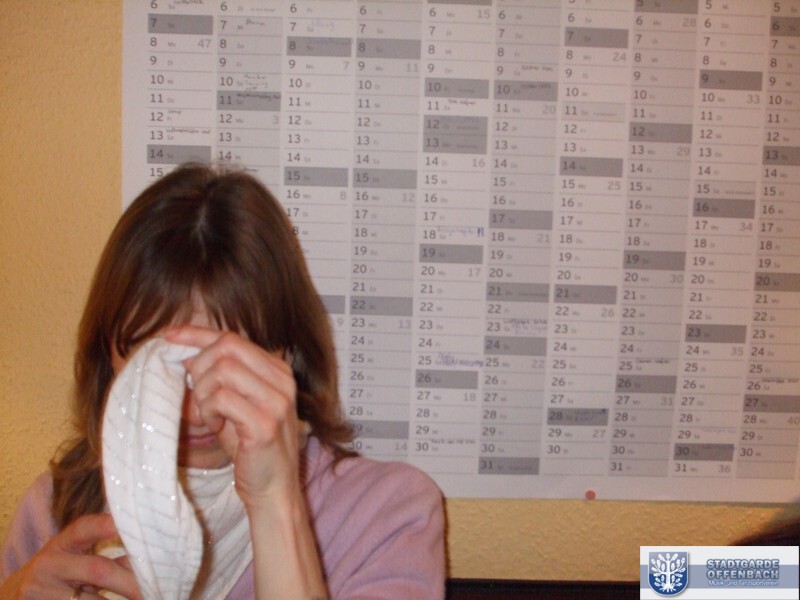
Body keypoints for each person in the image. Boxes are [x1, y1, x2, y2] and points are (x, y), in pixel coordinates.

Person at [0, 164, 446, 599]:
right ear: (107, 356)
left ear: (286, 352)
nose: (194, 410)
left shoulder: (386, 516)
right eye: (156, 363)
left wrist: (275, 500)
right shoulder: (53, 509)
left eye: (225, 363)